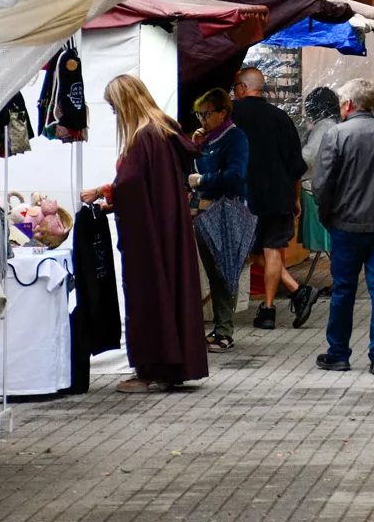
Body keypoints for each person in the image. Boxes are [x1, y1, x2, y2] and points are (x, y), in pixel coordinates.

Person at [81, 75, 208, 392]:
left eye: (113, 108)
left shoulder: (144, 137)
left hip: (150, 235)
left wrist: (104, 192)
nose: (114, 115)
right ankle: (169, 364)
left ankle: (153, 366)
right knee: (169, 289)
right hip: (167, 226)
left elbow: (134, 184)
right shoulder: (163, 130)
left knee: (148, 295)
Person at [312, 79, 374, 375]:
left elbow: (322, 184)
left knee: (344, 289)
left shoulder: (336, 135)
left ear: (348, 104)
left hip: (345, 224)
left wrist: (327, 216)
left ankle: (338, 352)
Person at [232, 67, 315, 331]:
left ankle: (291, 296)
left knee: (249, 252)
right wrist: (296, 196)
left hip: (245, 196)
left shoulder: (231, 115)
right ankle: (271, 307)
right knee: (271, 250)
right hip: (279, 196)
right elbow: (295, 164)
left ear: (242, 88)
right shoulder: (281, 118)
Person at [188, 88, 249, 352]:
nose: (202, 119)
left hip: (226, 211)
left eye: (206, 114)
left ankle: (225, 330)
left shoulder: (235, 138)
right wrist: (195, 148)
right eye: (199, 114)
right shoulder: (208, 139)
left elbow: (236, 175)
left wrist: (204, 179)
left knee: (225, 271)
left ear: (223, 112)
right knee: (213, 272)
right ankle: (220, 327)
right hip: (204, 212)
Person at [298, 88, 340, 280]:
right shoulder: (334, 124)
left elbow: (308, 156)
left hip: (315, 187)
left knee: (326, 238)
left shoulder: (323, 127)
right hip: (330, 187)